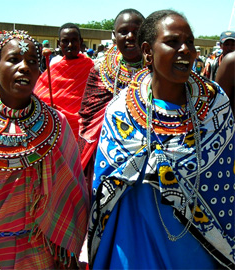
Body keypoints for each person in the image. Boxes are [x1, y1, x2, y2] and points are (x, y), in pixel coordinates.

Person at [88, 9, 235, 270]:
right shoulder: (122, 111)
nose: (186, 50)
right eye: (172, 42)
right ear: (147, 51)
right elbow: (105, 187)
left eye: (189, 42)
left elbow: (224, 180)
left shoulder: (215, 103)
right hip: (136, 237)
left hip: (199, 243)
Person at [0, 30, 89, 269]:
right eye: (13, 60)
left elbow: (71, 192)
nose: (24, 67)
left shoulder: (56, 124)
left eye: (32, 62)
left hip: (35, 252)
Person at [78, 8, 145, 194]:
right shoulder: (99, 70)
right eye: (124, 31)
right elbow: (88, 117)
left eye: (137, 31)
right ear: (114, 35)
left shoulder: (157, 69)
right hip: (105, 152)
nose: (130, 36)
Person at [34, 23, 94, 140]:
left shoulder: (92, 68)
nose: (70, 45)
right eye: (65, 41)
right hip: (56, 130)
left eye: (74, 40)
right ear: (59, 43)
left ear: (81, 42)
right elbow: (39, 97)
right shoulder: (53, 69)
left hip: (84, 129)